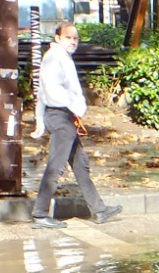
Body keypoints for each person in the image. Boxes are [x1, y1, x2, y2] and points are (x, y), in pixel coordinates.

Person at [32, 21, 121, 229]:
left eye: (75, 38)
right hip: (61, 116)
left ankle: (99, 210)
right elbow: (51, 91)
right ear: (58, 38)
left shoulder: (59, 57)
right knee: (56, 165)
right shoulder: (55, 58)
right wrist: (74, 107)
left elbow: (42, 94)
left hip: (62, 115)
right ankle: (40, 214)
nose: (73, 41)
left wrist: (40, 119)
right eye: (68, 37)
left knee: (80, 163)